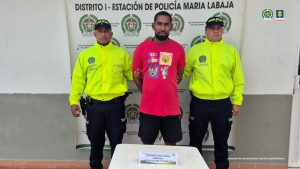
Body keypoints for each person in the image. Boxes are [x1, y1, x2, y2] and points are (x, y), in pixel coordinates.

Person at [69, 19, 132, 169]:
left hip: (115, 107)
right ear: (94, 33)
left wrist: (148, 75)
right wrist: (74, 101)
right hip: (94, 107)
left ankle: (118, 166)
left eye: (106, 31)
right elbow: (78, 80)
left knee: (117, 141)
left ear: (111, 33)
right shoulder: (86, 55)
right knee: (96, 141)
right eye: (99, 31)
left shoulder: (121, 53)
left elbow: (132, 75)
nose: (103, 34)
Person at [184, 16, 244, 169]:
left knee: (221, 141)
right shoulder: (195, 50)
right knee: (195, 139)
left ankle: (222, 166)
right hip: (199, 103)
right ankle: (194, 166)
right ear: (206, 31)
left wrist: (237, 101)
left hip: (223, 104)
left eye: (218, 28)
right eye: (212, 28)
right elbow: (183, 72)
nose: (215, 31)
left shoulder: (231, 52)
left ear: (223, 30)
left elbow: (238, 79)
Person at [132, 11, 186, 145]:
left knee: (171, 145)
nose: (163, 28)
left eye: (166, 24)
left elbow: (179, 74)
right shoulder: (142, 48)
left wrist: (167, 85)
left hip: (171, 108)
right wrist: (146, 90)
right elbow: (136, 75)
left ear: (171, 27)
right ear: (153, 26)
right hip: (148, 107)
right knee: (147, 145)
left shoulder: (178, 49)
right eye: (159, 24)